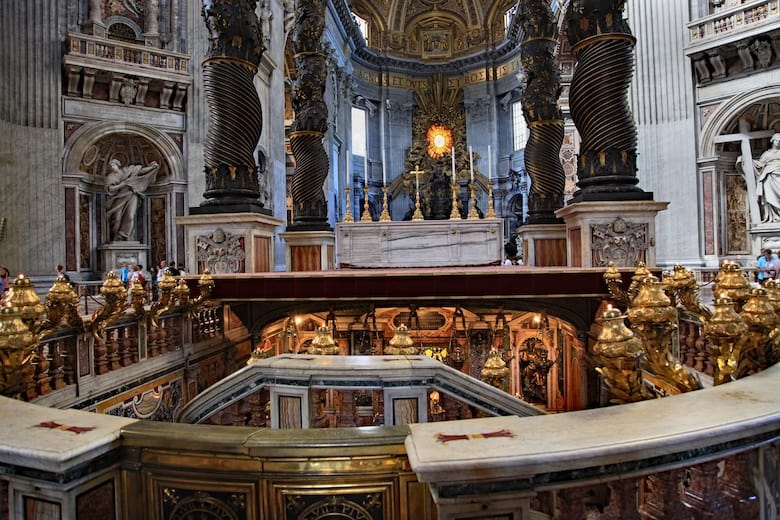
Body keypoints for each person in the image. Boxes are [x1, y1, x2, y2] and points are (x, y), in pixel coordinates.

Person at [105, 158, 160, 241]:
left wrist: (152, 168)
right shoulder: (111, 176)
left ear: (117, 165)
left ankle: (126, 235)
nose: (112, 167)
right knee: (116, 218)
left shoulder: (127, 170)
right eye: (110, 166)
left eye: (113, 165)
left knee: (131, 216)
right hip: (119, 198)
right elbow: (110, 189)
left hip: (132, 194)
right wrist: (122, 185)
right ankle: (116, 238)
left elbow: (140, 171)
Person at [747, 133, 780, 223]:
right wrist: (749, 161)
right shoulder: (766, 154)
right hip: (768, 177)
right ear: (772, 141)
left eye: (779, 141)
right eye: (776, 140)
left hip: (778, 174)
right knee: (769, 196)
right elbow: (760, 165)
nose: (778, 142)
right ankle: (773, 216)